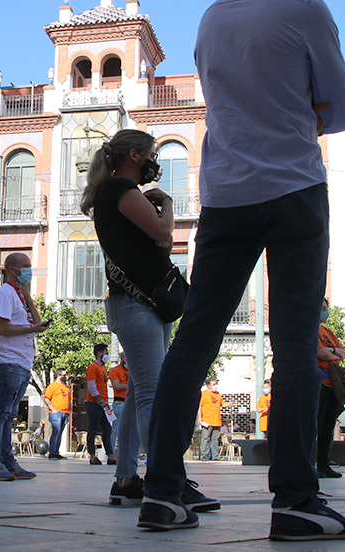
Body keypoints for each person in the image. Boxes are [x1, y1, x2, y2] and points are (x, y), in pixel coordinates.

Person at [139, 0, 345, 539]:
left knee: (192, 344)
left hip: (226, 194)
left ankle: (160, 491)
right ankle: (294, 500)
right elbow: (342, 109)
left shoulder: (212, 17)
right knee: (293, 344)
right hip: (294, 188)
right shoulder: (307, 7)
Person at [81, 128, 216, 509]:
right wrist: (168, 203)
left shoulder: (123, 194)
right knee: (154, 394)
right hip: (137, 305)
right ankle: (166, 479)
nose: (154, 160)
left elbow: (161, 242)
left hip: (147, 305)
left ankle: (126, 478)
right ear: (136, 156)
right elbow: (162, 230)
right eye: (152, 153)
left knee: (142, 390)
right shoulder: (119, 191)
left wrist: (162, 214)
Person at [0, 252, 49, 481]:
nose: (30, 270)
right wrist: (31, 330)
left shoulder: (19, 295)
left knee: (8, 414)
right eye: (27, 266)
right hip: (9, 362)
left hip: (21, 363)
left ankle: (8, 462)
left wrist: (30, 300)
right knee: (1, 413)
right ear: (12, 269)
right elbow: (1, 329)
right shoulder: (4, 294)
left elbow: (38, 324)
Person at [315, 299, 345, 478]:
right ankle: (312, 463)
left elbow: (343, 352)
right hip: (319, 382)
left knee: (328, 427)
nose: (325, 312)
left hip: (332, 384)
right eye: (322, 309)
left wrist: (332, 351)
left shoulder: (327, 332)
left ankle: (324, 464)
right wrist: (334, 352)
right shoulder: (310, 329)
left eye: (326, 309)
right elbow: (321, 353)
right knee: (316, 425)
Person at [85, 343, 116, 465]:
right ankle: (92, 455)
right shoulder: (93, 367)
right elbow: (91, 386)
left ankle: (110, 454)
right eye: (106, 353)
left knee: (107, 429)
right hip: (94, 403)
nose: (107, 356)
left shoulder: (103, 368)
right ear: (99, 354)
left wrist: (104, 403)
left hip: (103, 404)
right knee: (93, 429)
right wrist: (100, 401)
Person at [199, 379, 237, 461]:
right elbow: (200, 407)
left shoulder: (218, 394)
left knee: (215, 439)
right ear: (208, 386)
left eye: (216, 384)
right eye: (213, 384)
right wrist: (200, 419)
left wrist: (230, 404)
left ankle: (215, 456)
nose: (215, 386)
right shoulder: (204, 394)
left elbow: (223, 404)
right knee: (205, 438)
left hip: (217, 420)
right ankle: (204, 456)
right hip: (207, 420)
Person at [43, 369, 71, 460]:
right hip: (56, 413)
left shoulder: (66, 387)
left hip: (65, 413)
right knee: (56, 432)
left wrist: (69, 411)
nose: (65, 377)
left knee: (60, 433)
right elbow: (46, 398)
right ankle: (52, 453)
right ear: (58, 375)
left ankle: (56, 452)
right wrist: (53, 409)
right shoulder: (52, 386)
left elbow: (69, 400)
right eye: (64, 375)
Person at [108, 353, 129, 453]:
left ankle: (127, 454)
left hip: (131, 403)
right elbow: (117, 386)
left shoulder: (131, 371)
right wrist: (131, 386)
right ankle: (111, 453)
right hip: (120, 403)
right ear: (122, 359)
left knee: (129, 431)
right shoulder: (115, 371)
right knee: (116, 430)